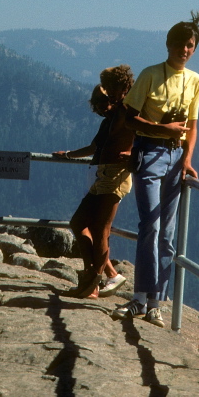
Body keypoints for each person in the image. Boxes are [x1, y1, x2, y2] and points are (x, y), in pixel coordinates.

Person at [112, 11, 199, 328]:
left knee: (167, 234)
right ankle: (140, 298)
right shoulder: (151, 75)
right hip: (148, 152)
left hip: (175, 158)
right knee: (149, 226)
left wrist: (188, 159)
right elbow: (128, 117)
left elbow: (191, 126)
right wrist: (163, 130)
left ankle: (156, 303)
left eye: (190, 45)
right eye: (181, 44)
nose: (185, 49)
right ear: (169, 44)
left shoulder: (195, 81)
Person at [54, 65, 136, 299]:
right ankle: (92, 276)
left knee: (101, 229)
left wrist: (135, 153)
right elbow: (94, 147)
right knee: (79, 221)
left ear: (123, 86)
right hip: (102, 175)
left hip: (116, 175)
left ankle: (92, 284)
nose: (107, 94)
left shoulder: (130, 108)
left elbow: (144, 132)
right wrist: (68, 154)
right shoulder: (112, 117)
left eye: (110, 88)